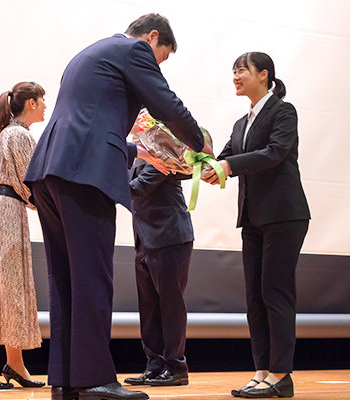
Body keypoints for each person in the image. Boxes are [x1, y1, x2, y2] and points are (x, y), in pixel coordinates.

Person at [24, 13, 212, 400]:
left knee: (66, 279)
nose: (157, 67)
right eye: (161, 58)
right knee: (93, 276)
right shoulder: (134, 51)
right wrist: (198, 143)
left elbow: (90, 118)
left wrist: (138, 150)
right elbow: (167, 105)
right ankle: (94, 379)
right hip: (83, 171)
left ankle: (66, 380)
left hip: (50, 167)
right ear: (153, 38)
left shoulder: (89, 53)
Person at [203, 52, 310, 398]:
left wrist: (228, 166)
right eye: (232, 71)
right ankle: (262, 371)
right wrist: (193, 161)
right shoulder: (241, 122)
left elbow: (275, 153)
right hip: (252, 217)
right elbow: (223, 159)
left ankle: (281, 375)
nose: (235, 77)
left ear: (264, 75)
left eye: (241, 71)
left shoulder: (283, 111)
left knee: (275, 294)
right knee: (255, 298)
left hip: (284, 215)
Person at [0, 82, 47, 390]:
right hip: (3, 214)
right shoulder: (19, 134)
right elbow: (32, 182)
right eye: (42, 100)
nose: (44, 106)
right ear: (29, 104)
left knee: (8, 287)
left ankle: (15, 364)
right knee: (3, 288)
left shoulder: (8, 134)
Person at [123, 159, 193, 387]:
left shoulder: (163, 149)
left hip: (169, 236)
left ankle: (176, 367)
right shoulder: (137, 154)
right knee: (149, 306)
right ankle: (155, 365)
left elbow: (139, 186)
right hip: (144, 238)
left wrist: (100, 185)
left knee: (170, 305)